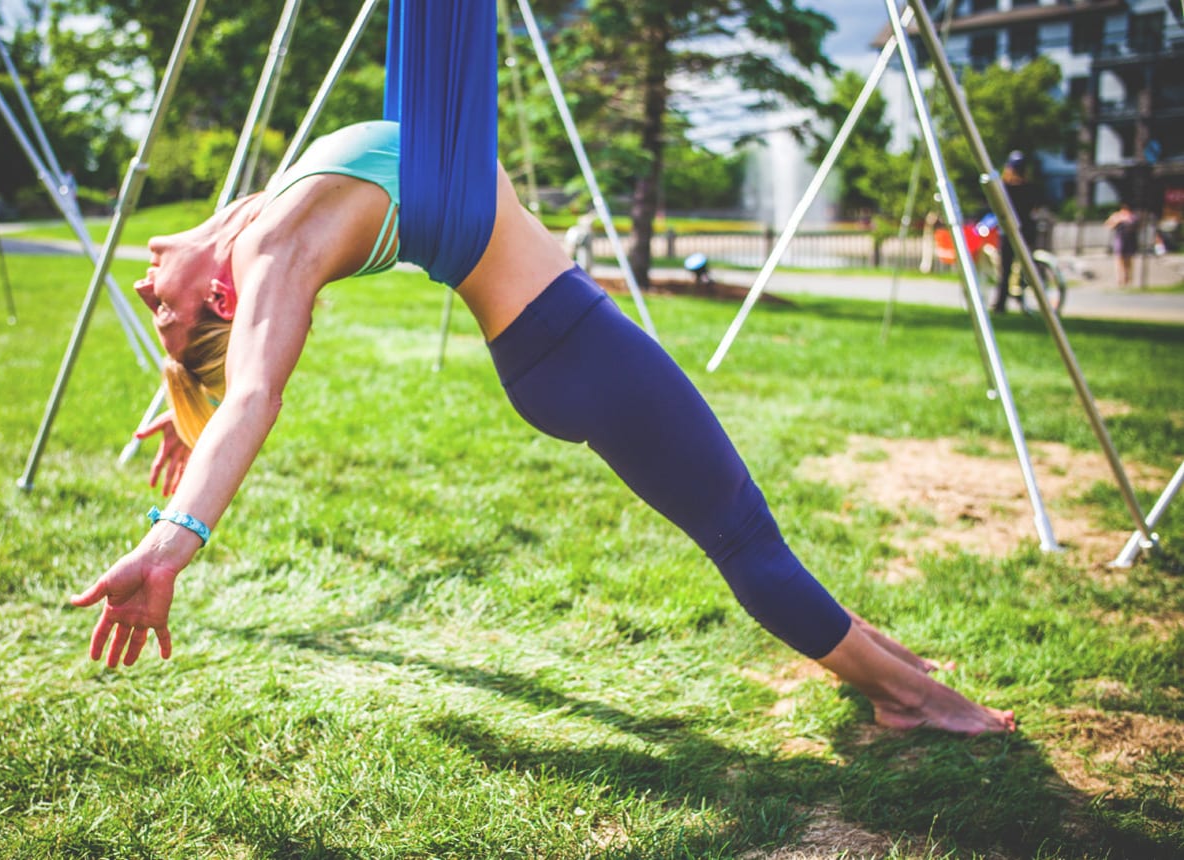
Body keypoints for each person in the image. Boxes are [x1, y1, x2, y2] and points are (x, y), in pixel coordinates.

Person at [71, 120, 1016, 736]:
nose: (148, 284)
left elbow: (212, 366)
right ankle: (907, 699)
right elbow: (253, 394)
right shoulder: (274, 253)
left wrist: (178, 390)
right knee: (741, 534)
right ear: (225, 296)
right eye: (165, 309)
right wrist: (170, 543)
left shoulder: (247, 223)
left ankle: (874, 655)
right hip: (571, 349)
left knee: (741, 525)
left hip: (559, 342)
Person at [992, 151, 1040, 313]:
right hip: (1026, 231)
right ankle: (1018, 298)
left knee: (1006, 270)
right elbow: (1035, 208)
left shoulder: (1004, 188)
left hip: (1011, 232)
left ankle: (1001, 304)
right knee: (1022, 268)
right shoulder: (1031, 187)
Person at [1104, 201, 1140, 289]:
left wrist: (1130, 222)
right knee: (1119, 260)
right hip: (1120, 240)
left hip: (1130, 240)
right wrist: (1118, 221)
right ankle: (1120, 279)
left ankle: (1128, 279)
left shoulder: (1133, 217)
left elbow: (1138, 226)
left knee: (1128, 261)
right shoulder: (1117, 216)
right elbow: (1108, 225)